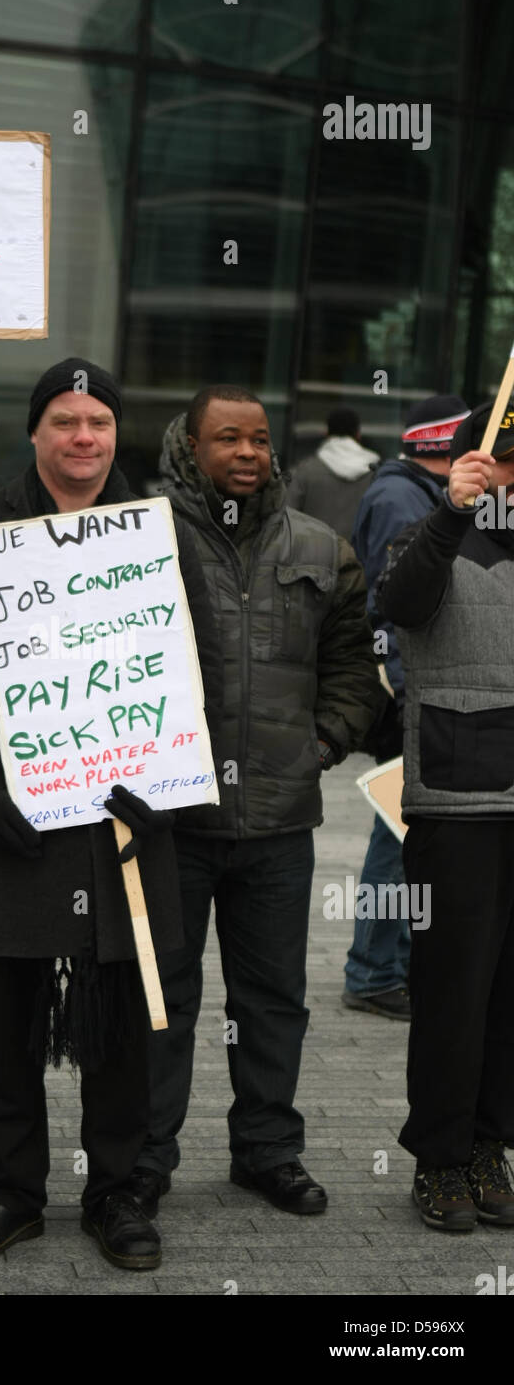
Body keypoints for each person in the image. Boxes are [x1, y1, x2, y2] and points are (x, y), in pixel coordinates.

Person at [0, 357, 220, 1271]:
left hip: (126, 819)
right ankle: (12, 1192)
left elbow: (198, 669)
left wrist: (165, 778)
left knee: (125, 1020)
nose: (85, 438)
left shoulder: (162, 534)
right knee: (8, 1022)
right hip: (11, 819)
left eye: (100, 423)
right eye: (66, 421)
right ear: (35, 432)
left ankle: (117, 1192)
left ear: (117, 434)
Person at [128, 384, 379, 1221]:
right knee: (163, 996)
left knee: (272, 999)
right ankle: (143, 1160)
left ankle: (269, 1153)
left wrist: (324, 741)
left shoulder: (319, 544)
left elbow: (354, 660)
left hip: (279, 820)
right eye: (227, 438)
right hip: (171, 821)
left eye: (261, 440)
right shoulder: (139, 538)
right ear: (188, 447)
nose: (247, 453)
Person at [375, 400, 514, 1231]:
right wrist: (453, 513)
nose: (508, 476)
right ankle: (439, 1157)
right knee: (454, 993)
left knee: (508, 996)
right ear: (465, 464)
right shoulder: (429, 537)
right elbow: (401, 603)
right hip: (460, 800)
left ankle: (491, 1147)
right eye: (495, 458)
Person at [343, 394, 469, 1020]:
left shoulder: (412, 491)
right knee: (396, 834)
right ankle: (372, 972)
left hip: (418, 688)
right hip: (411, 692)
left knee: (404, 833)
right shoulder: (402, 499)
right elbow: (393, 608)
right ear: (442, 449)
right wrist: (411, 694)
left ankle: (385, 966)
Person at [287, 407, 379, 538]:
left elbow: (287, 517)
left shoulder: (305, 471)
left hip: (313, 554)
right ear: (358, 434)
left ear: (326, 433)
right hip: (357, 556)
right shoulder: (374, 474)